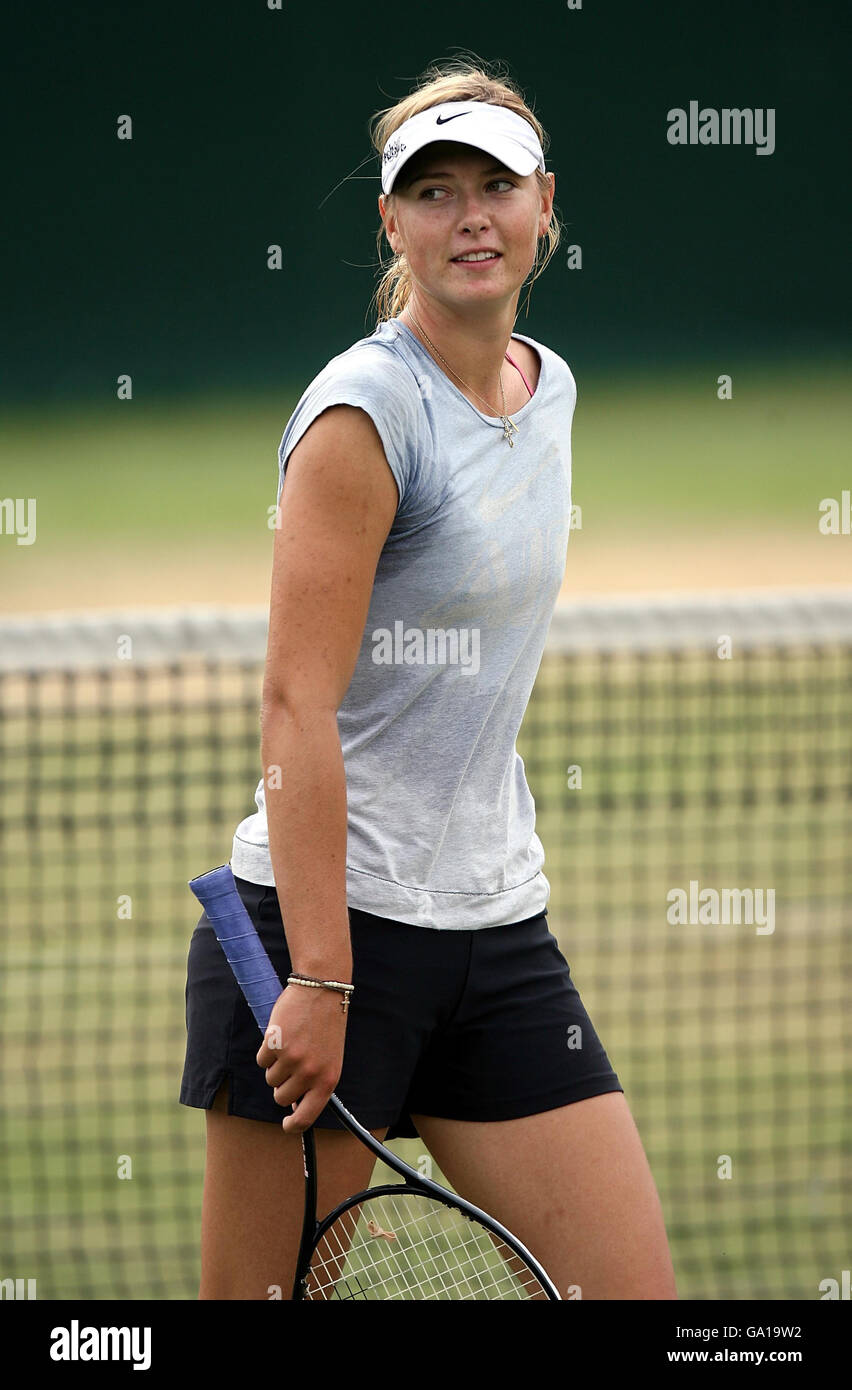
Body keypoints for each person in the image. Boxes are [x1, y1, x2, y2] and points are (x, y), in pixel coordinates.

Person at [179, 56, 678, 1301]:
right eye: (435, 190)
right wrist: (322, 971)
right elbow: (295, 703)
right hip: (331, 938)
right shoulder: (363, 412)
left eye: (497, 186)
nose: (471, 215)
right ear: (392, 221)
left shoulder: (547, 388)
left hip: (499, 938)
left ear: (544, 204)